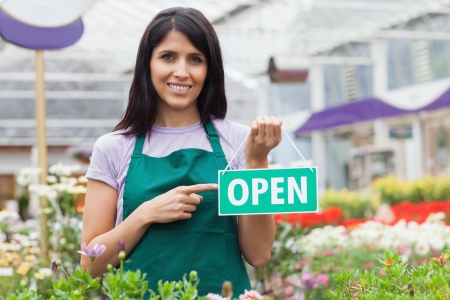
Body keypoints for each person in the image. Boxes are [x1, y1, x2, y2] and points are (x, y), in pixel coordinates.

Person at [81, 7, 282, 296]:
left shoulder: (239, 141)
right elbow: (89, 266)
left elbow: (259, 254)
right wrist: (145, 214)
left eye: (195, 59)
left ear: (209, 69)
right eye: (168, 57)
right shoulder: (114, 147)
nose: (182, 72)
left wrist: (256, 160)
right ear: (147, 64)